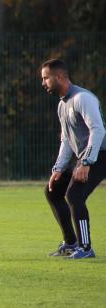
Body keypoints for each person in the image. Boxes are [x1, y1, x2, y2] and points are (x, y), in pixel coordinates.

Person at [41, 58, 106, 259]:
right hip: (86, 157)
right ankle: (71, 243)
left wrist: (86, 162)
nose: (43, 83)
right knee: (53, 190)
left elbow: (98, 130)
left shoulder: (82, 98)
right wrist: (58, 169)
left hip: (101, 154)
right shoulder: (62, 105)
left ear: (59, 77)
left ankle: (85, 248)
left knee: (75, 195)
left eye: (46, 78)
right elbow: (67, 140)